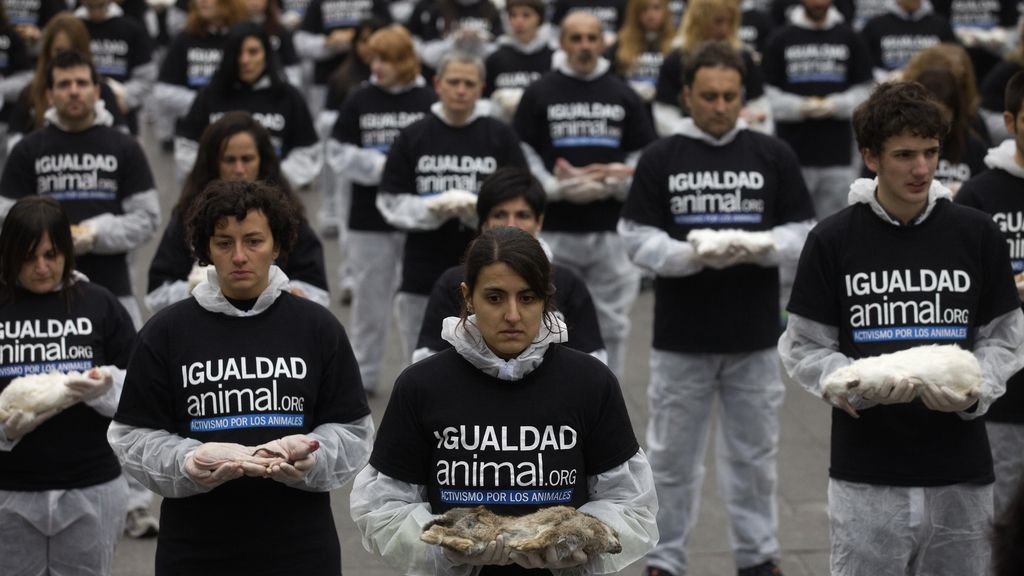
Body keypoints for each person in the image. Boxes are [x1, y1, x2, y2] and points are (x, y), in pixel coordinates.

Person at [779, 80, 1024, 575]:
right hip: (867, 471)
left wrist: (977, 389)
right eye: (904, 154)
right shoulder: (833, 239)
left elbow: (1005, 336)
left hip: (961, 471)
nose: (921, 169)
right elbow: (804, 345)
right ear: (871, 157)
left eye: (931, 152)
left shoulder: (975, 233)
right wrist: (850, 383)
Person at [350, 225, 658, 576]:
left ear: (546, 297)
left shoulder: (590, 382)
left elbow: (630, 502)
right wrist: (449, 550)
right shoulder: (422, 385)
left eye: (527, 298)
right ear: (468, 296)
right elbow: (383, 507)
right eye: (495, 298)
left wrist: (581, 540)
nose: (512, 315)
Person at [109, 179, 374, 575]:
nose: (239, 256)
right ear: (205, 250)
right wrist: (188, 460)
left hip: (300, 546)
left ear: (277, 245)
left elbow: (353, 431)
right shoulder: (167, 332)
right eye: (223, 242)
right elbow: (132, 435)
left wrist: (308, 458)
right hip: (196, 548)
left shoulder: (316, 327)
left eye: (253, 241)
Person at [620, 41, 815, 576]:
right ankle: (664, 558)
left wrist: (760, 246)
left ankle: (758, 556)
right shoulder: (662, 156)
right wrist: (693, 254)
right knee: (671, 460)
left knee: (753, 458)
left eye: (731, 96)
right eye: (709, 96)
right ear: (686, 95)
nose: (721, 106)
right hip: (681, 334)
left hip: (752, 334)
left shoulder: (772, 154)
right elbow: (635, 237)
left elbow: (804, 231)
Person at [513, 10, 656, 378]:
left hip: (611, 228)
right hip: (555, 228)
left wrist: (615, 182)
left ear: (603, 42)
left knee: (612, 325)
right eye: (576, 38)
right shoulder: (540, 91)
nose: (584, 46)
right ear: (561, 42)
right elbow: (521, 150)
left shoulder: (623, 93)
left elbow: (643, 154)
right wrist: (555, 187)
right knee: (549, 321)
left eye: (592, 38)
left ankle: (609, 399)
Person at [0, 196, 136, 576]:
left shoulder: (100, 304)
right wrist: (3, 430)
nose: (42, 268)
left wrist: (105, 389)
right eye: (28, 257)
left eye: (52, 254)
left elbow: (146, 392)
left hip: (90, 485)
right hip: (8, 490)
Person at [376, 50, 527, 363]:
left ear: (481, 88)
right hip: (422, 268)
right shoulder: (414, 135)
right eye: (454, 82)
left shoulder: (500, 136)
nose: (461, 90)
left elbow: (521, 198)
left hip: (490, 270)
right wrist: (432, 209)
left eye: (469, 83)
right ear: (437, 84)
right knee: (420, 362)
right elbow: (389, 201)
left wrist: (478, 210)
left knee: (489, 361)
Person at [0, 49, 160, 329]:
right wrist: (49, 239)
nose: (74, 91)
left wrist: (98, 234)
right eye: (64, 84)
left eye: (82, 83)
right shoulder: (28, 149)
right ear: (49, 95)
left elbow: (148, 218)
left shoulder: (125, 147)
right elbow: (4, 214)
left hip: (113, 286)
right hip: (36, 293)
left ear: (97, 91)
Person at [326, 24, 435, 393]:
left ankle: (419, 376)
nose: (375, 66)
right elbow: (337, 152)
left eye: (384, 59)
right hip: (368, 218)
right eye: (372, 58)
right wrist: (380, 166)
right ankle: (365, 376)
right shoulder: (360, 98)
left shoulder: (428, 100)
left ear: (405, 60)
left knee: (415, 304)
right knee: (369, 303)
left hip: (419, 219)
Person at [414, 167, 606, 363]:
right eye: (494, 298)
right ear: (483, 223)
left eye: (522, 215)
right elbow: (428, 363)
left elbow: (591, 364)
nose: (511, 224)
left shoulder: (568, 282)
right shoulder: (451, 282)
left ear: (539, 221)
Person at [149, 111, 329, 312]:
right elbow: (156, 293)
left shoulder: (286, 216)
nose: (239, 169)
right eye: (229, 160)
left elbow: (318, 291)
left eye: (254, 241)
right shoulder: (189, 216)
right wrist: (200, 288)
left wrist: (280, 292)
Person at [953, 71, 1024, 516]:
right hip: (1007, 384)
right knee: (1002, 509)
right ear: (1010, 122)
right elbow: (959, 286)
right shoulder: (979, 193)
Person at [762, 0, 873, 219]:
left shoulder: (850, 37)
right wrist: (800, 108)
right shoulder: (780, 38)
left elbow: (866, 90)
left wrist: (835, 105)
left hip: (839, 156)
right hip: (792, 154)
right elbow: (766, 95)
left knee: (837, 227)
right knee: (794, 224)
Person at [176, 22, 321, 188]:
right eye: (238, 53)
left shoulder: (288, 96)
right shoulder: (209, 95)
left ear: (266, 54)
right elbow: (186, 146)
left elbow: (308, 151)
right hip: (216, 197)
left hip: (274, 198)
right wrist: (214, 181)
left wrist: (271, 181)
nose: (245, 60)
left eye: (253, 52)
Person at [6, 13, 129, 150]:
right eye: (59, 52)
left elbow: (123, 141)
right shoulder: (31, 92)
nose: (73, 91)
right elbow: (14, 142)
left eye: (73, 51)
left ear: (95, 92)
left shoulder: (103, 91)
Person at [652, 0, 772, 137]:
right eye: (718, 21)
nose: (724, 29)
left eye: (729, 22)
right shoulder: (677, 60)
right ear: (700, 21)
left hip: (738, 138)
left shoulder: (743, 57)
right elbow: (664, 116)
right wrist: (695, 132)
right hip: (689, 141)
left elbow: (759, 105)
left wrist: (746, 123)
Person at [154, 0, 247, 149]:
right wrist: (205, 104)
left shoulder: (244, 38)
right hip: (194, 136)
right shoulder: (185, 38)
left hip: (239, 133)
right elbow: (162, 91)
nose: (202, 1)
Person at [896, 43, 989, 192]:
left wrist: (966, 194)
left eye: (943, 116)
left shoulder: (973, 140)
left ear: (955, 111)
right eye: (930, 115)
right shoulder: (897, 143)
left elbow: (988, 189)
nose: (936, 124)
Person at [76, 0, 157, 134]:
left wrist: (124, 96)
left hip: (123, 118)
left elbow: (148, 78)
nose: (96, 9)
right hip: (77, 119)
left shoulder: (132, 28)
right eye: (91, 6)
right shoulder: (71, 28)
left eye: (100, 5)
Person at [483, 0, 553, 123]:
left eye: (526, 15)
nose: (518, 21)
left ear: (540, 19)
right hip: (503, 127)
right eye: (513, 15)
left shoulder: (552, 57)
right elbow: (485, 99)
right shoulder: (495, 58)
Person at [859, 0, 956, 81]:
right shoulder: (875, 25)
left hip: (931, 91)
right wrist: (885, 77)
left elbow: (953, 61)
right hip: (887, 91)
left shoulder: (941, 25)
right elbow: (863, 64)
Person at [609, 0, 674, 108]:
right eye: (644, 9)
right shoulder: (620, 44)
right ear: (635, 13)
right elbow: (612, 80)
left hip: (665, 108)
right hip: (630, 105)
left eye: (656, 8)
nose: (650, 14)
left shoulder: (675, 44)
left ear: (665, 11)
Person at [405, 0, 502, 71]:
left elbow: (502, 54)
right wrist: (453, 41)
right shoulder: (437, 9)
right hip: (446, 71)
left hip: (482, 71)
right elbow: (427, 55)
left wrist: (478, 41)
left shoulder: (491, 9)